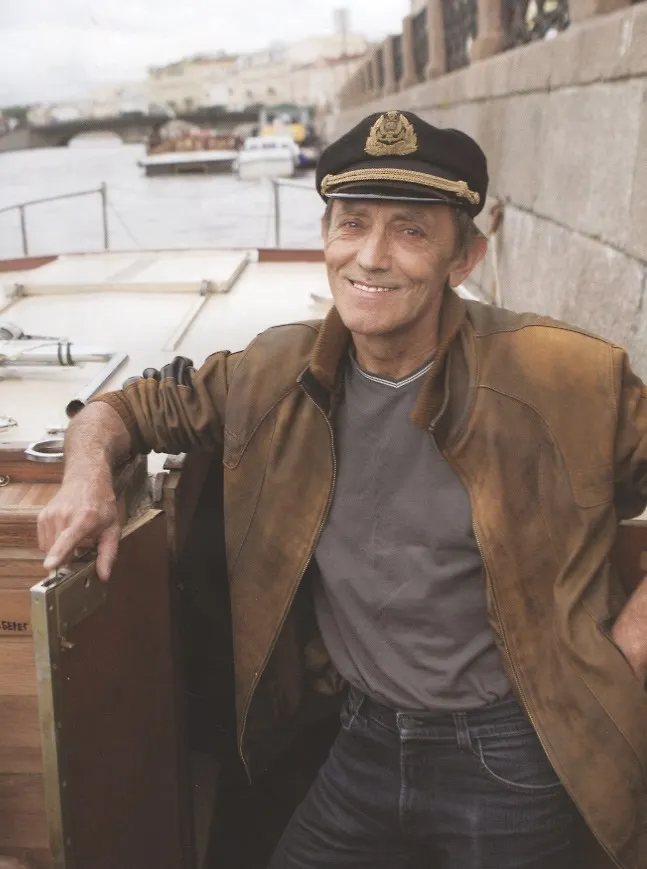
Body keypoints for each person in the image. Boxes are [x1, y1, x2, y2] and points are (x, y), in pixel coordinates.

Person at [37, 110, 647, 869]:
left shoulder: (564, 376)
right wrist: (88, 476)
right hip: (362, 740)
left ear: (464, 258)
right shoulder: (272, 372)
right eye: (351, 224)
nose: (371, 257)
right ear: (326, 237)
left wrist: (634, 636)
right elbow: (124, 408)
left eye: (411, 231)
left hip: (509, 749)